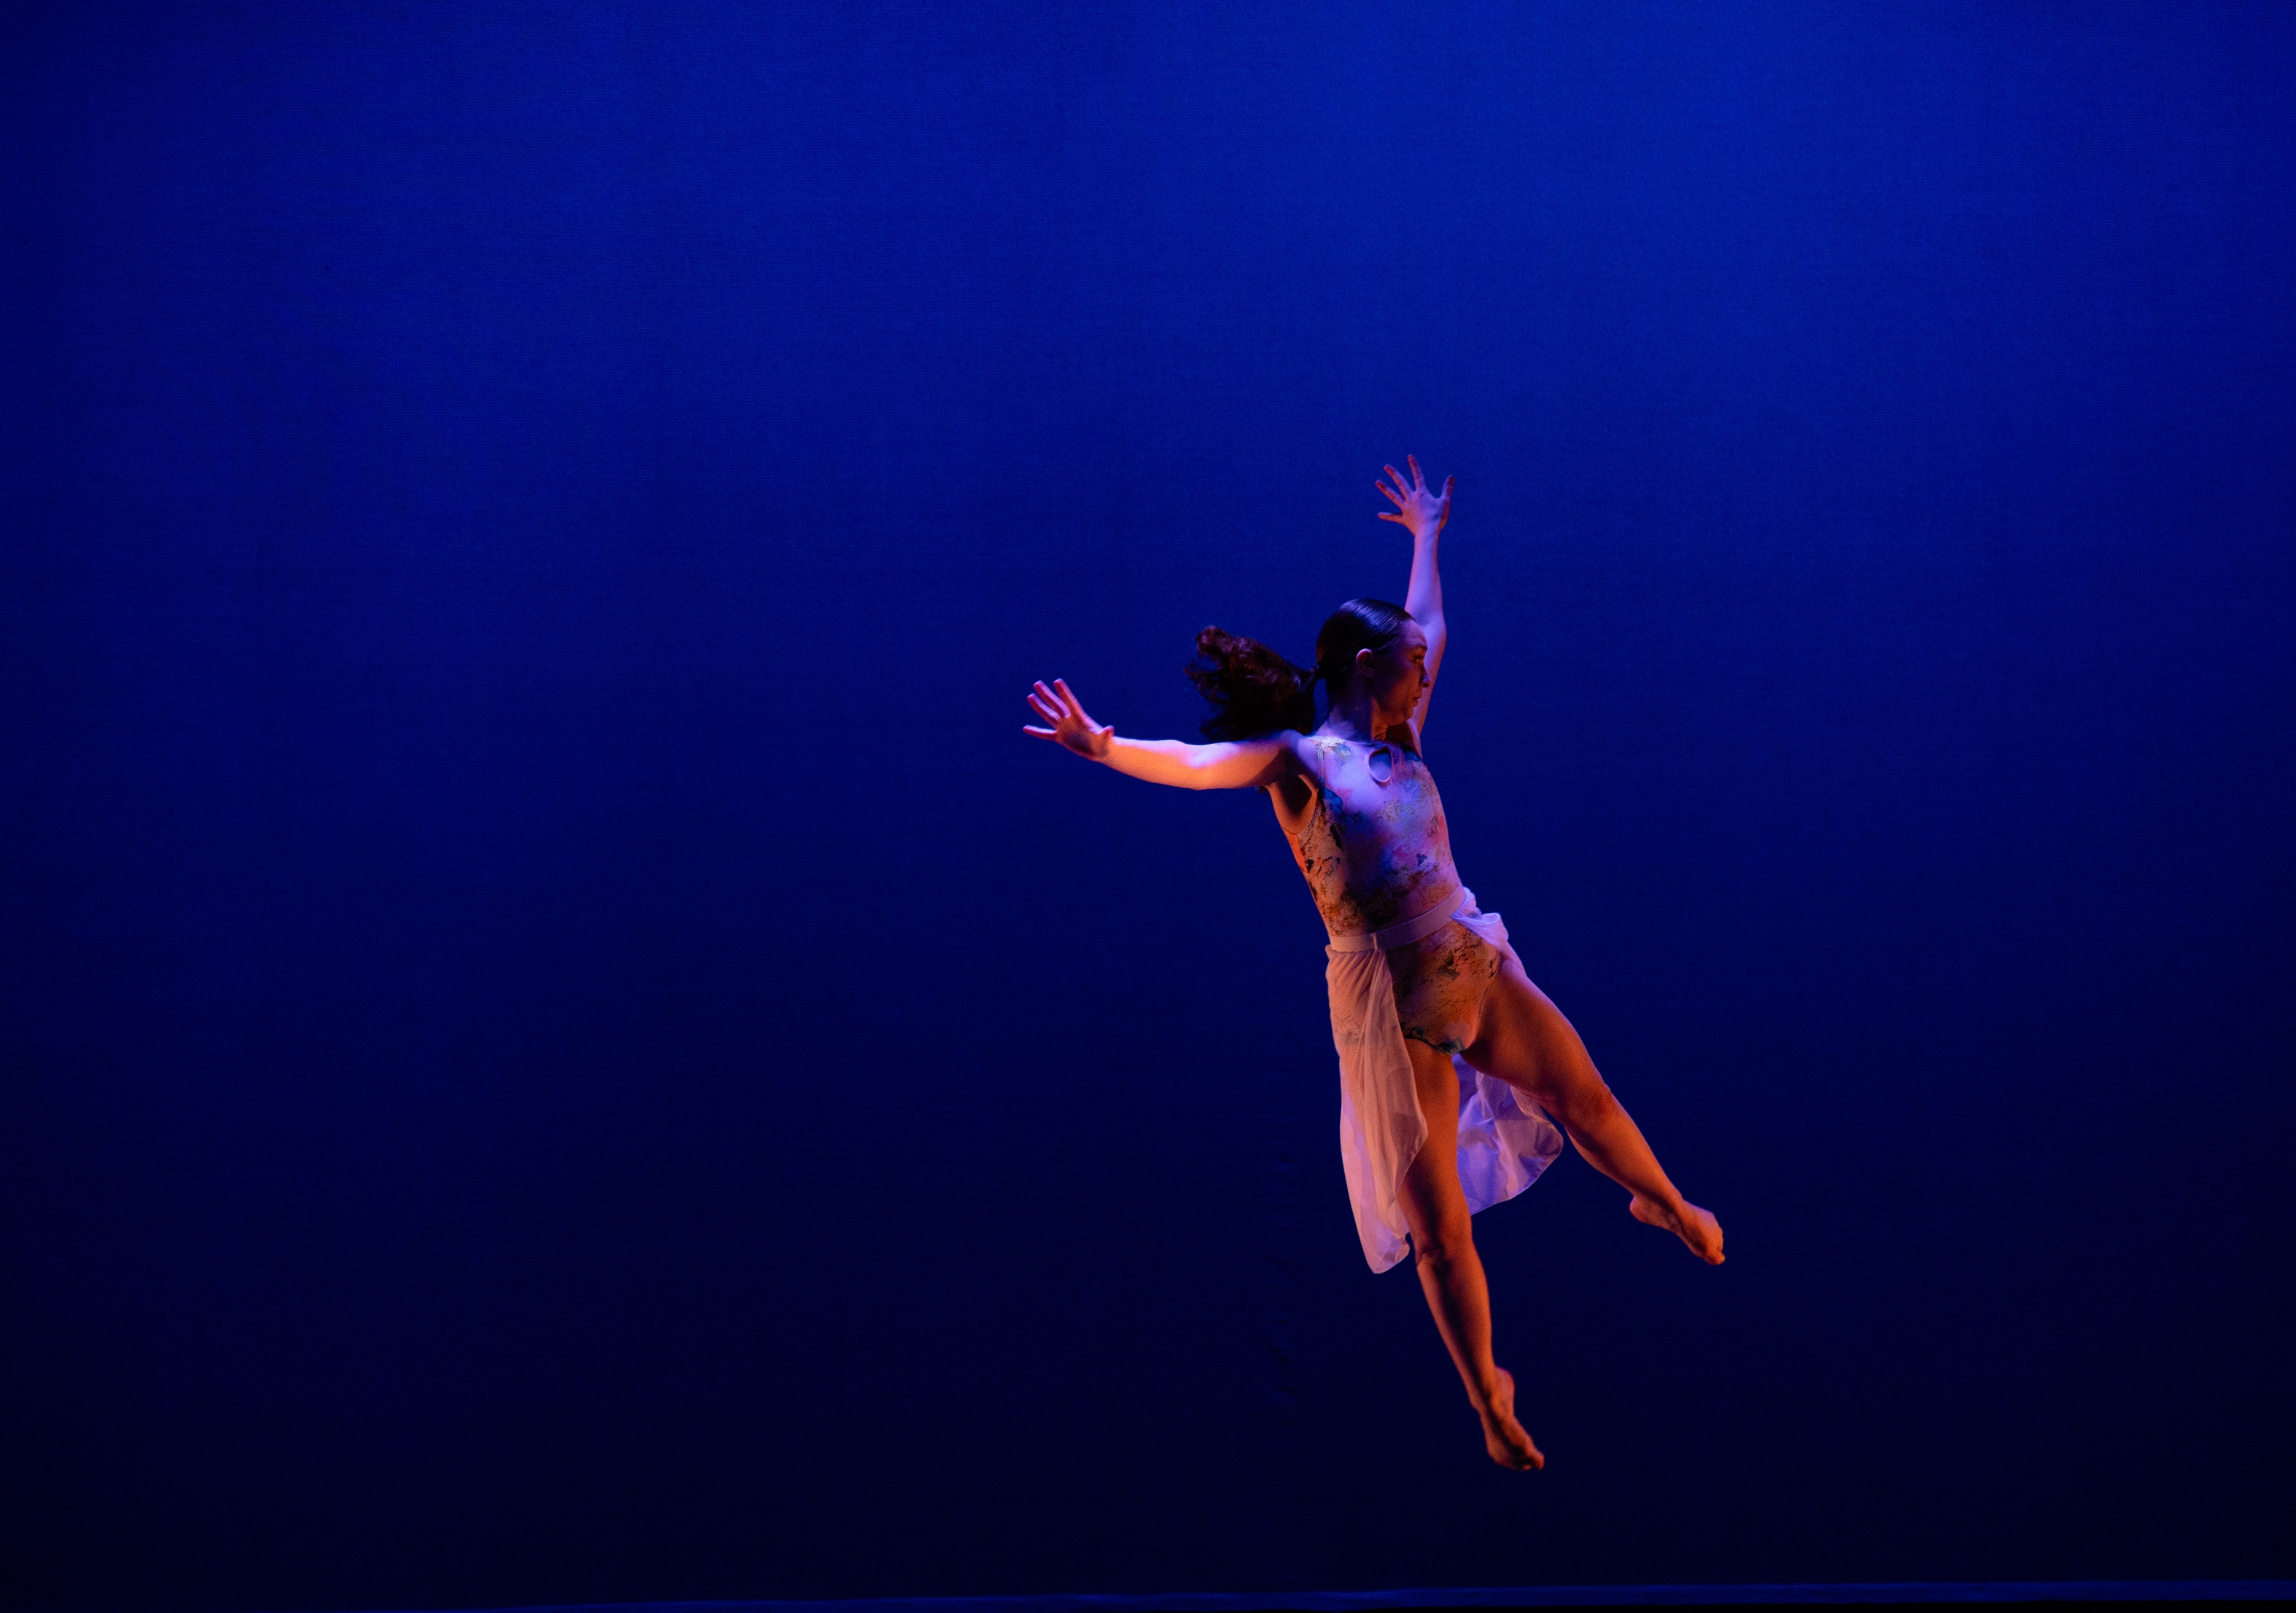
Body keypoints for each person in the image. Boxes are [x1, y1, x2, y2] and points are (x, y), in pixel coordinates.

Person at [1023, 457, 1723, 1471]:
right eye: (1409, 667)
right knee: (1437, 1225)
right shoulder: (1300, 762)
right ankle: (1489, 1394)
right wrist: (1106, 745)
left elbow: (1430, 624)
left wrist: (1426, 535)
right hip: (1394, 1003)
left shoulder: (1404, 739)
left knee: (1588, 1097)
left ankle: (1662, 1197)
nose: (1424, 674)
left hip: (1470, 958)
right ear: (1362, 664)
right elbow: (1195, 761)